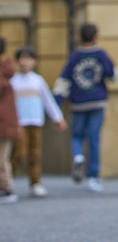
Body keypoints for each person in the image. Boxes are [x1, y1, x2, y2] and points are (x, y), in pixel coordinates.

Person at [53, 23, 118, 193]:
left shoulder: (74, 57)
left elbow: (63, 81)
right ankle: (94, 177)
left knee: (77, 136)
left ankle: (78, 156)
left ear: (80, 37)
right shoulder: (101, 55)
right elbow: (113, 75)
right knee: (94, 139)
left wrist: (57, 104)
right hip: (97, 102)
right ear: (95, 37)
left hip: (78, 103)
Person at [11, 46, 68, 197]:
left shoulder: (38, 80)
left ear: (34, 61)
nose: (24, 62)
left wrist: (58, 117)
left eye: (28, 59)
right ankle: (6, 180)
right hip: (19, 123)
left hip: (35, 121)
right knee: (19, 153)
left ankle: (35, 182)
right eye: (21, 59)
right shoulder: (14, 81)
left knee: (35, 153)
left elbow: (48, 101)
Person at [0, 37, 22, 203]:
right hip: (6, 123)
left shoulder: (3, 73)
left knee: (2, 158)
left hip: (3, 124)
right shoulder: (6, 72)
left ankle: (7, 188)